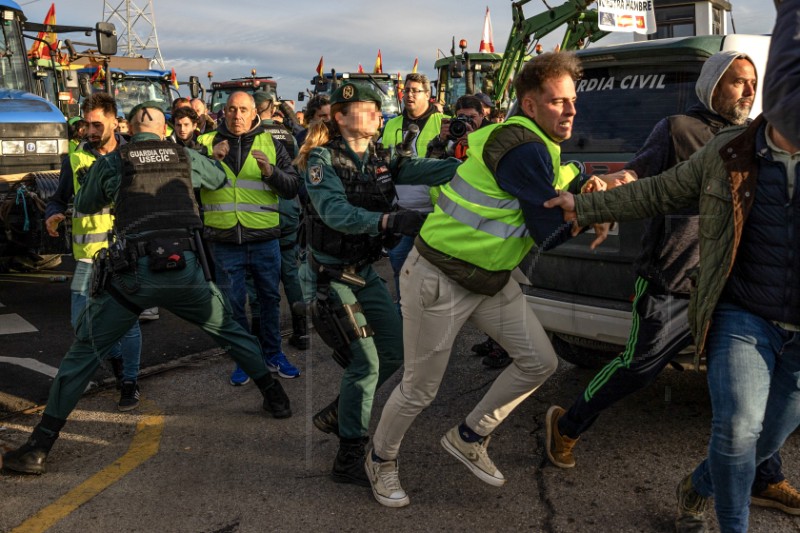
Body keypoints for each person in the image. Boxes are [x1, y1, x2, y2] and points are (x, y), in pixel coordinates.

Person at [544, 65, 800, 531]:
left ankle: (763, 476)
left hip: (725, 282)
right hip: (674, 276)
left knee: (763, 411)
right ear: (712, 84)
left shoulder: (758, 139)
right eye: (737, 80)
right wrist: (601, 191)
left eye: (753, 82)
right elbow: (643, 177)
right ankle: (568, 423)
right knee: (643, 368)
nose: (749, 89)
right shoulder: (684, 129)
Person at [2, 101, 292, 475]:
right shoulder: (184, 155)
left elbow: (88, 202)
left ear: (131, 127)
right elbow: (219, 179)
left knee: (84, 353)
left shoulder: (115, 160)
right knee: (232, 333)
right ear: (163, 127)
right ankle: (276, 398)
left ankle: (38, 448)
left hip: (133, 276)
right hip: (186, 271)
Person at [366, 52, 600, 508]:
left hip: (488, 280)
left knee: (538, 361)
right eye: (558, 102)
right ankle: (380, 459)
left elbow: (552, 180)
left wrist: (586, 179)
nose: (571, 110)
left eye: (573, 100)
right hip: (440, 278)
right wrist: (596, 208)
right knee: (419, 389)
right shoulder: (525, 147)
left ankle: (469, 435)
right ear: (530, 106)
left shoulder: (537, 143)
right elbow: (548, 231)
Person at [295, 82, 459, 487]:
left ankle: (340, 412)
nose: (375, 113)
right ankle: (350, 454)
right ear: (339, 116)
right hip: (330, 277)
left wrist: (477, 165)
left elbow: (428, 169)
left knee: (393, 349)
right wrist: (388, 221)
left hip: (364, 272)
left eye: (376, 108)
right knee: (366, 363)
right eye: (364, 108)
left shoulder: (381, 157)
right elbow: (334, 212)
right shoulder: (322, 159)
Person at [44, 93, 143, 412]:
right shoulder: (74, 159)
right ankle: (117, 366)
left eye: (96, 124)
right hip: (87, 259)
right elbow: (58, 198)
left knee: (127, 323)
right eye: (86, 124)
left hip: (124, 257)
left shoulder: (133, 155)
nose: (89, 130)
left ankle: (129, 381)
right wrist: (51, 214)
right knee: (82, 324)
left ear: (115, 121)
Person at [197, 91, 301, 383]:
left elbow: (292, 187)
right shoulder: (205, 144)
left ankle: (273, 354)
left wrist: (270, 172)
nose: (237, 115)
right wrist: (210, 161)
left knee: (268, 300)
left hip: (264, 239)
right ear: (223, 112)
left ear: (254, 111)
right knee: (232, 304)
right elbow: (189, 184)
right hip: (224, 240)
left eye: (243, 109)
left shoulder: (272, 142)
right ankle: (245, 359)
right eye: (231, 109)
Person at [426, 94, 512, 369]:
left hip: (488, 222)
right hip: (456, 221)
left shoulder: (492, 138)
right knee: (474, 290)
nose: (465, 123)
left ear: (482, 116)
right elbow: (430, 167)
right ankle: (492, 338)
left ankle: (505, 345)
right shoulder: (450, 138)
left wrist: (473, 141)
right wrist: (441, 141)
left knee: (494, 289)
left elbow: (494, 173)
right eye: (460, 118)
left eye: (471, 118)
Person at [380, 73, 445, 308]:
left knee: (435, 274)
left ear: (428, 95)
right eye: (406, 90)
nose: (408, 94)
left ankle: (432, 317)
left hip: (436, 212)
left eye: (415, 90)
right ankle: (405, 316)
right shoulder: (392, 124)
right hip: (401, 211)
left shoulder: (443, 122)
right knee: (401, 268)